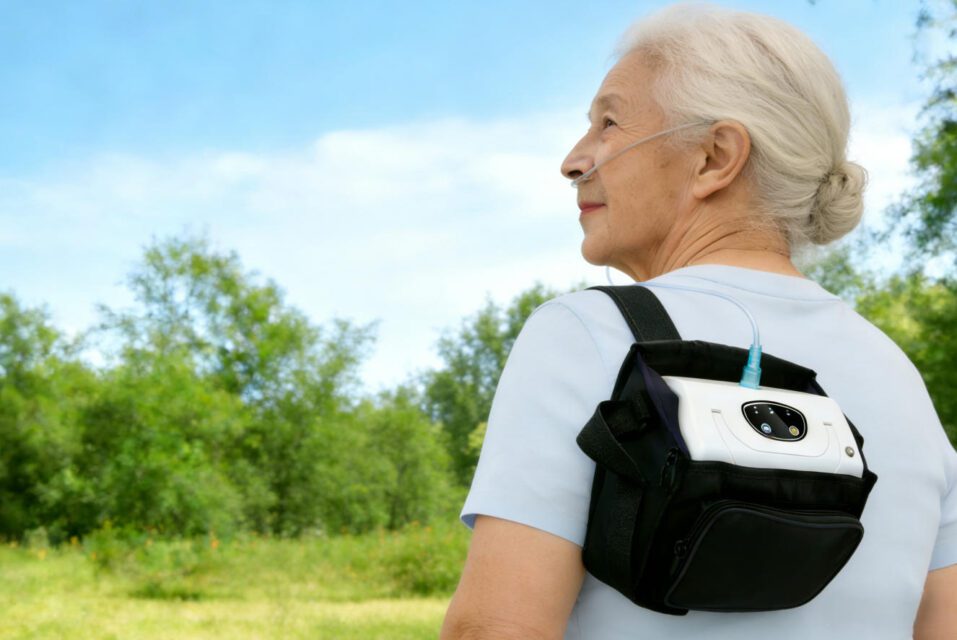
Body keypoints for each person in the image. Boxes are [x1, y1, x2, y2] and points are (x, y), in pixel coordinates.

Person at [439, 3, 957, 639]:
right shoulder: (898, 377)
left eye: (608, 122)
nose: (574, 160)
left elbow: (495, 628)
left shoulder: (590, 335)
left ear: (715, 157)